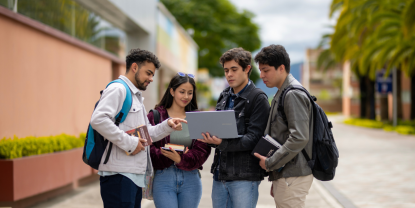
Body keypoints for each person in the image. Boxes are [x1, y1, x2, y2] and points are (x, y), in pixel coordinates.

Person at [90, 49, 186, 208]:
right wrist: (131, 143)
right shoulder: (118, 89)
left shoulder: (135, 96)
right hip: (119, 176)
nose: (151, 79)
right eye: (148, 73)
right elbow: (98, 119)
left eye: (153, 74)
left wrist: (167, 125)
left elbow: (145, 134)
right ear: (134, 67)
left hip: (131, 177)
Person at [198, 48, 270, 208]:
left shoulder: (258, 98)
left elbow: (254, 139)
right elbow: (217, 131)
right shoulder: (224, 96)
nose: (229, 74)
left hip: (244, 177)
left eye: (234, 69)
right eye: (226, 70)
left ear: (247, 69)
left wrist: (221, 142)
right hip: (220, 175)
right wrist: (208, 137)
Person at [253, 44, 314, 208]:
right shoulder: (283, 92)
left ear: (281, 68)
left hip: (292, 175)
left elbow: (299, 137)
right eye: (260, 70)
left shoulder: (292, 93)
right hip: (287, 174)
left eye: (266, 70)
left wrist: (271, 162)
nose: (262, 75)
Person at [147, 73, 211, 208]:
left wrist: (181, 159)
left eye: (190, 93)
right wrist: (169, 156)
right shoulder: (156, 116)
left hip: (191, 179)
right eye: (182, 92)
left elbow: (203, 150)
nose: (186, 97)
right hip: (163, 177)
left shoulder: (198, 118)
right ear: (172, 91)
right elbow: (147, 146)